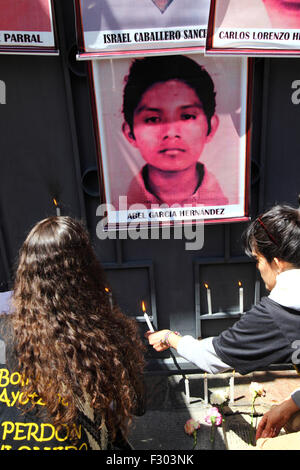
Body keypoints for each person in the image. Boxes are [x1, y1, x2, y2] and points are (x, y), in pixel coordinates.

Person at [0, 216, 145, 451]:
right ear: (86, 271)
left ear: (25, 272)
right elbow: (137, 404)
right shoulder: (103, 335)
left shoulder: (4, 334)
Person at [147, 204, 300, 376]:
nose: (258, 267)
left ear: (278, 263)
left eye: (258, 259)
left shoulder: (279, 314)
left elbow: (213, 357)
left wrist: (169, 337)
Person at [122, 55, 228, 208]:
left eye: (187, 116)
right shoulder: (118, 210)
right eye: (153, 119)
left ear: (211, 127)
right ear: (129, 133)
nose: (171, 132)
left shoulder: (231, 204)